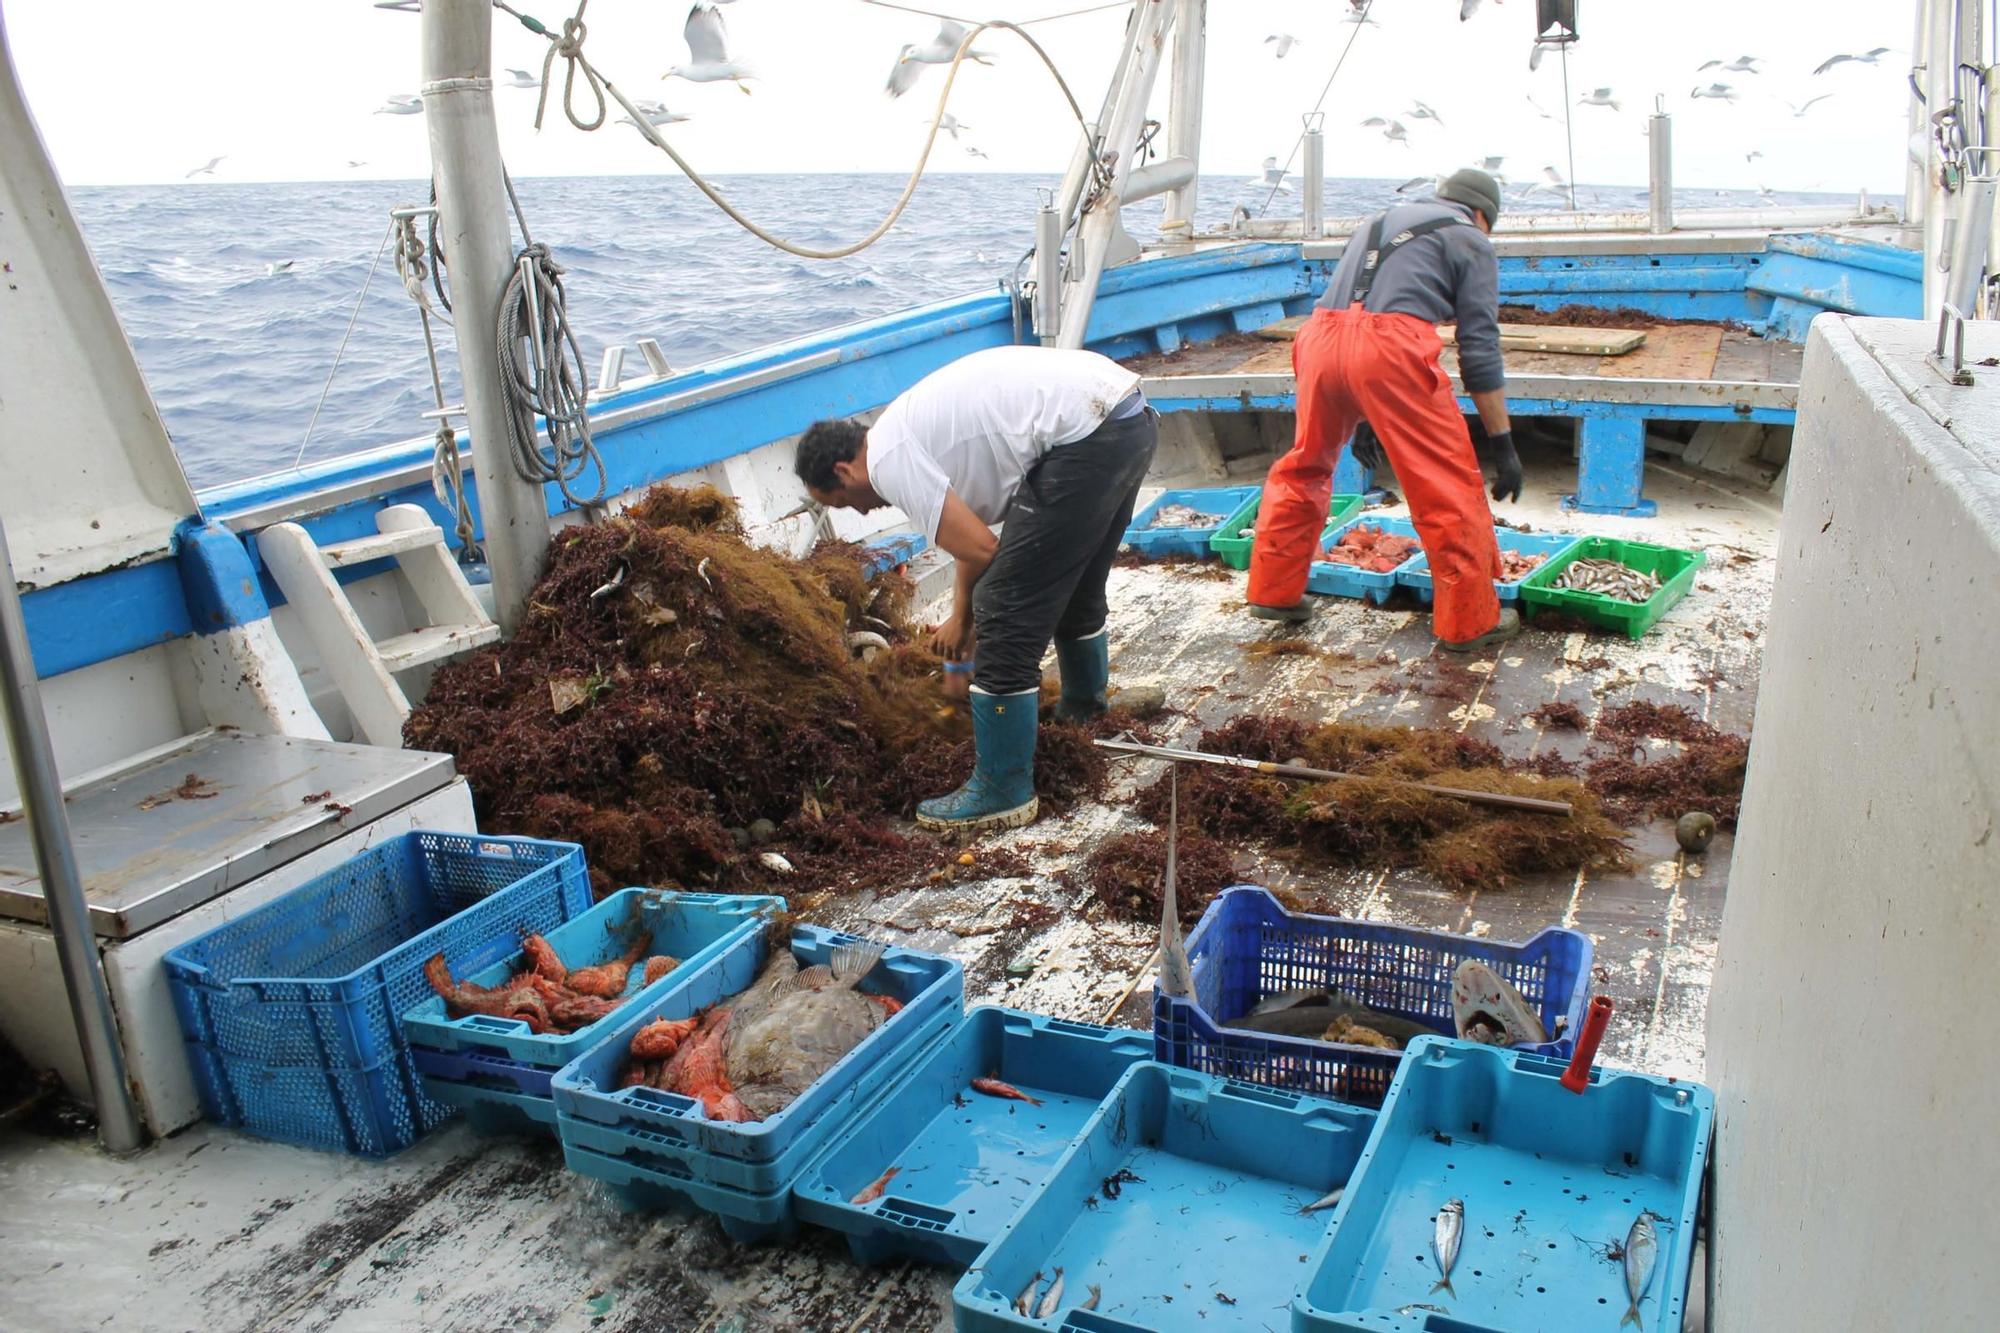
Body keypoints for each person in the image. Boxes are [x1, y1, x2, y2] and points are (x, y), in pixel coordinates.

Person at [794, 345, 1158, 831]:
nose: (859, 513)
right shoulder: (905, 432)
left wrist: (966, 631)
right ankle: (1085, 713)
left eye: (841, 501)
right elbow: (974, 543)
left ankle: (1003, 789)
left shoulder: (888, 461)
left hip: (1087, 434)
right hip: (1126, 415)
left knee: (1003, 612)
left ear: (844, 471)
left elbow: (986, 554)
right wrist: (960, 626)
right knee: (1074, 584)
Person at [1248, 167, 1523, 652]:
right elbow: (1479, 346)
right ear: (1482, 215)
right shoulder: (1471, 239)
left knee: (1304, 466)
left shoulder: (1377, 221)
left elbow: (1357, 314)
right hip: (1391, 349)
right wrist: (1502, 442)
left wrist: (1363, 412)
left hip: (1318, 339)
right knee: (1445, 485)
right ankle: (1470, 622)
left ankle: (1273, 591)